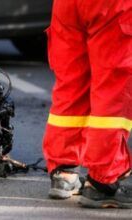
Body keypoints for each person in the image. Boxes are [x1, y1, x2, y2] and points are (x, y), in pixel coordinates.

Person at [43, 0, 132, 208]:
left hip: (68, 6)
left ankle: (63, 173)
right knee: (112, 89)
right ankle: (104, 181)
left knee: (72, 84)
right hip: (112, 7)